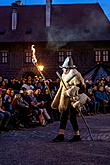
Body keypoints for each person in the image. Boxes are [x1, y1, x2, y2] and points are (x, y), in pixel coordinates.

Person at [51, 56, 86, 142]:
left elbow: (82, 88)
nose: (63, 69)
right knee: (63, 116)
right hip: (64, 99)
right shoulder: (64, 74)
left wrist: (71, 91)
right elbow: (62, 87)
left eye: (64, 68)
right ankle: (61, 135)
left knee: (72, 117)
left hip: (73, 100)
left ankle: (76, 135)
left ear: (67, 68)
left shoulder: (75, 75)